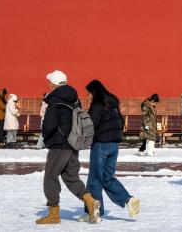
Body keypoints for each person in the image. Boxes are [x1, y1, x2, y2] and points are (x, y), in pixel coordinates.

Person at [36, 70, 100, 225]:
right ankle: (89, 200)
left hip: (59, 145)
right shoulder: (74, 99)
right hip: (73, 144)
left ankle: (53, 214)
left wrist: (45, 134)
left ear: (53, 84)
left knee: (50, 177)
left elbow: (49, 126)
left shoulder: (55, 100)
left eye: (49, 82)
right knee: (70, 177)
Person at [85, 79, 140, 220]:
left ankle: (94, 212)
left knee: (94, 179)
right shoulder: (113, 104)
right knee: (107, 178)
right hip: (114, 145)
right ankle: (128, 199)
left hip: (101, 145)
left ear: (94, 92)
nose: (87, 96)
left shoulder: (97, 105)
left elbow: (91, 124)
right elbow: (121, 122)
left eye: (88, 93)